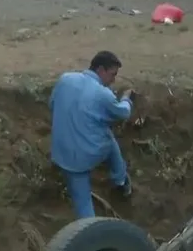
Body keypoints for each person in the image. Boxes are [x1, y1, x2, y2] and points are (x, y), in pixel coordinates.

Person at [50, 51, 136, 218]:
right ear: (101, 70)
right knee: (109, 139)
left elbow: (52, 104)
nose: (113, 80)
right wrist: (126, 99)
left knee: (82, 202)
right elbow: (123, 113)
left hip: (61, 153)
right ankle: (121, 180)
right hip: (84, 156)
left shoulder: (65, 79)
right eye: (113, 74)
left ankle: (88, 232)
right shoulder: (102, 94)